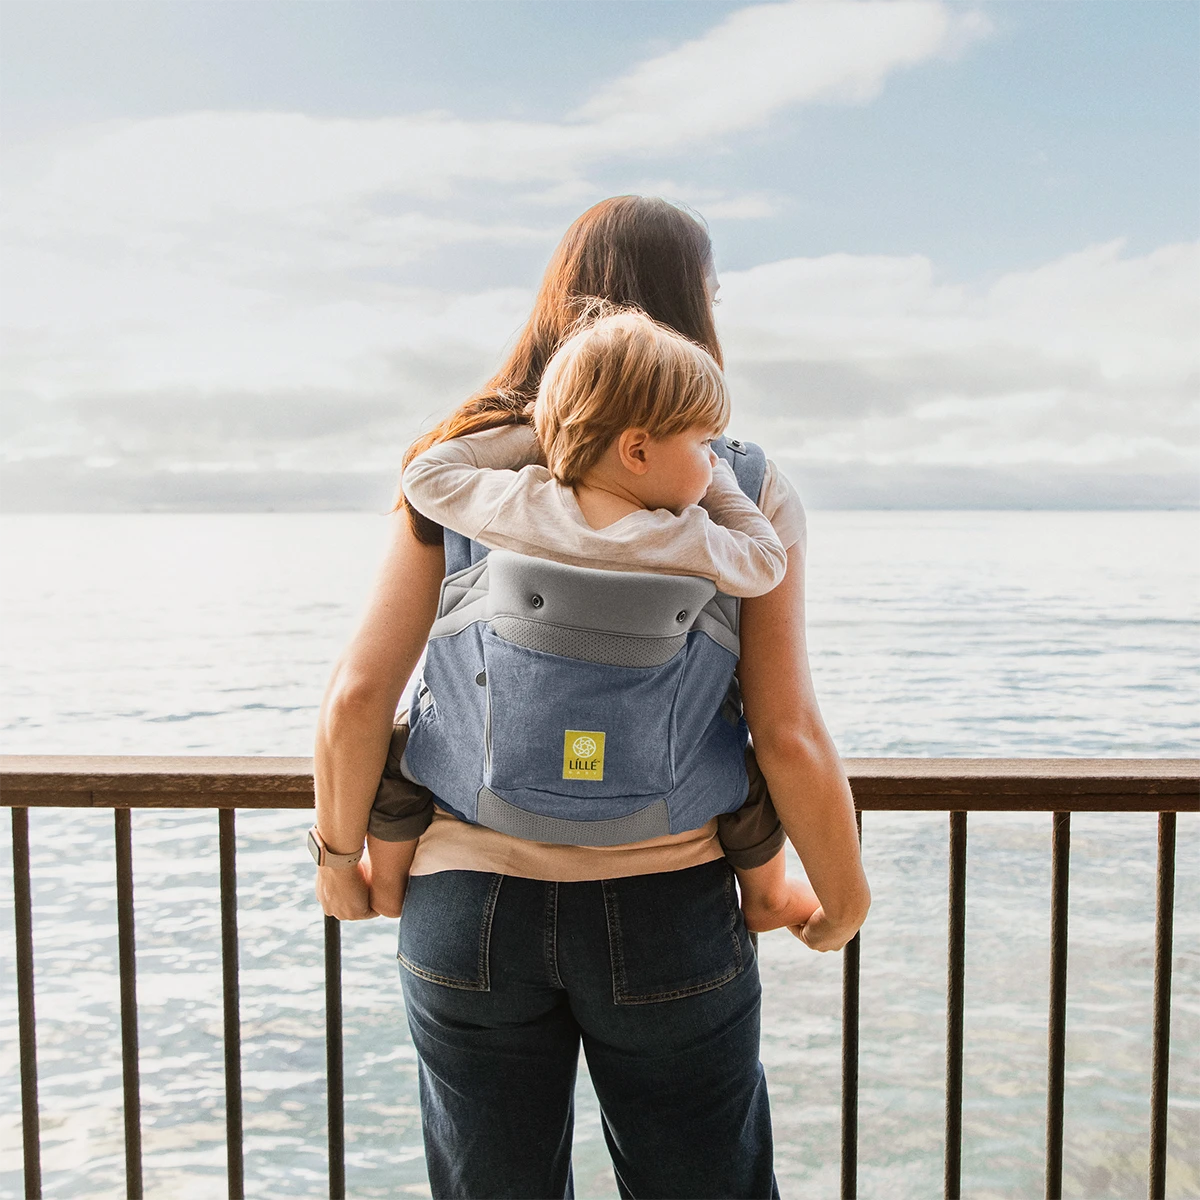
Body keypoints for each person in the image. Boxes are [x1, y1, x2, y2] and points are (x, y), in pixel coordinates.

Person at [313, 195, 869, 1200]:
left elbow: (359, 696)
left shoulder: (458, 474)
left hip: (468, 908)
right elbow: (785, 735)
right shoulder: (737, 488)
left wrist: (340, 856)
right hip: (667, 909)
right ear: (686, 318)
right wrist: (845, 892)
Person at [367, 306, 819, 938]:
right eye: (703, 444)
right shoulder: (683, 538)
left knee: (400, 748)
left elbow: (426, 475)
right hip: (658, 834)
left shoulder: (520, 504)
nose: (712, 458)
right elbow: (767, 563)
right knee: (743, 766)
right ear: (637, 448)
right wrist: (721, 489)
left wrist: (541, 432)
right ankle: (767, 894)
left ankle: (384, 884)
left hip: (488, 838)